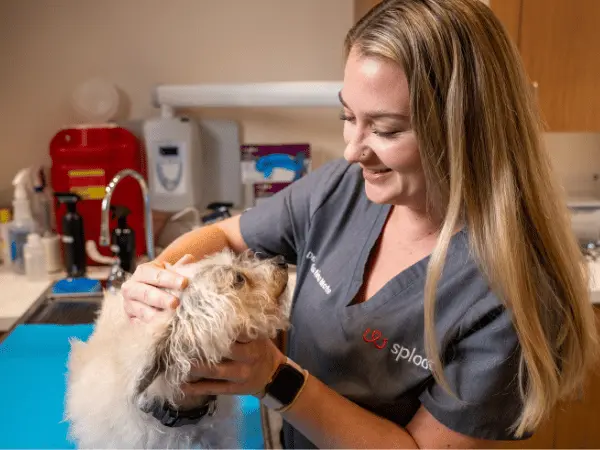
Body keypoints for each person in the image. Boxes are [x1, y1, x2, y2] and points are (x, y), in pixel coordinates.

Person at [121, 0, 599, 448]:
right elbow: (225, 235)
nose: (353, 149)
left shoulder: (513, 293)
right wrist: (161, 281)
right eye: (349, 116)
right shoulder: (344, 188)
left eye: (387, 129)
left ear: (465, 130)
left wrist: (275, 378)